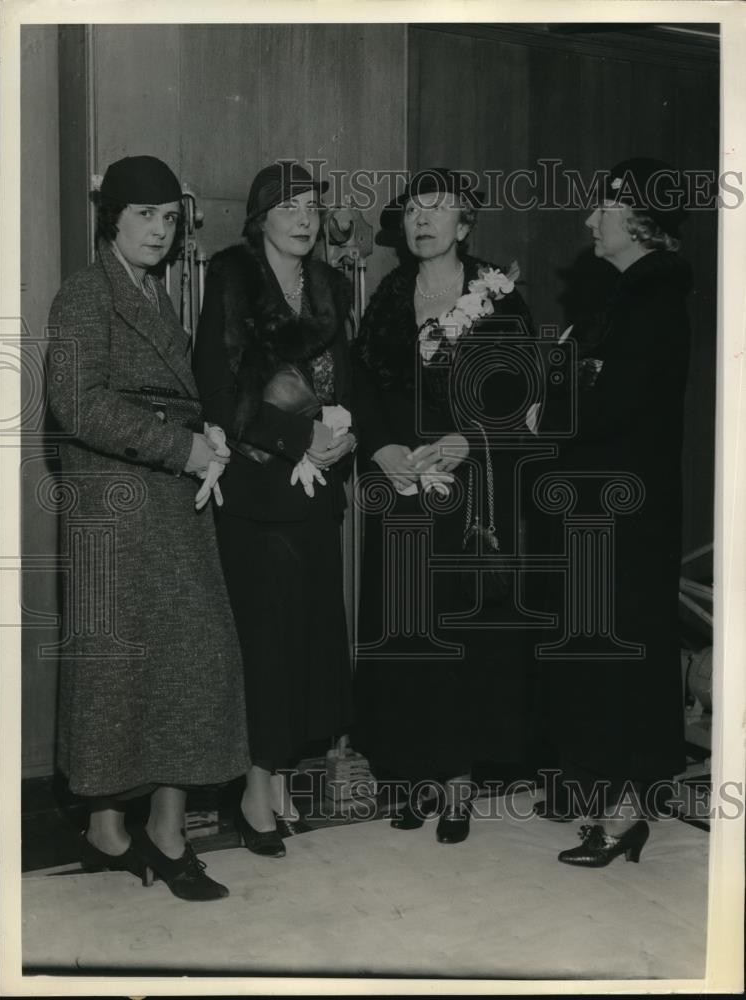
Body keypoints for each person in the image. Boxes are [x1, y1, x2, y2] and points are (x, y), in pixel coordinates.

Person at [46, 155, 249, 901]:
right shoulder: (83, 295)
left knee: (190, 664)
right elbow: (76, 404)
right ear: (113, 219)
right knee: (117, 672)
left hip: (168, 502)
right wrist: (181, 445)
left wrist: (206, 440)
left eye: (170, 219)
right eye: (145, 217)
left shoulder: (154, 293)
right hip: (116, 507)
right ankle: (108, 829)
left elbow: (173, 399)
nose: (160, 232)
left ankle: (165, 833)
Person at [351, 167, 534, 844]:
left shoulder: (500, 297)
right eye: (413, 212)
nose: (423, 221)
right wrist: (380, 449)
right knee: (404, 631)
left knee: (461, 633)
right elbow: (361, 386)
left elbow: (526, 400)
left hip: (469, 493)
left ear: (465, 224)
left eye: (439, 210)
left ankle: (458, 780)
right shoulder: (390, 297)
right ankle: (412, 773)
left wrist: (470, 440)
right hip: (401, 487)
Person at [531, 158, 691, 866]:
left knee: (623, 657)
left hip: (627, 516)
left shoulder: (652, 298)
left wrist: (546, 413)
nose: (589, 220)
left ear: (637, 217)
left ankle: (624, 815)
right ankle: (611, 806)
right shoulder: (632, 294)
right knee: (608, 654)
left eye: (601, 209)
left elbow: (611, 404)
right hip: (613, 511)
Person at [193, 161, 355, 858]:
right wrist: (299, 437)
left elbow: (344, 380)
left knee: (309, 644)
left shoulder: (327, 286)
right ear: (260, 217)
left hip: (317, 491)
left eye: (312, 205)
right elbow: (219, 386)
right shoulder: (232, 278)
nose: (304, 216)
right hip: (258, 493)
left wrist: (343, 438)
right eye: (288, 206)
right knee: (267, 645)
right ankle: (254, 787)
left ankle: (284, 773)